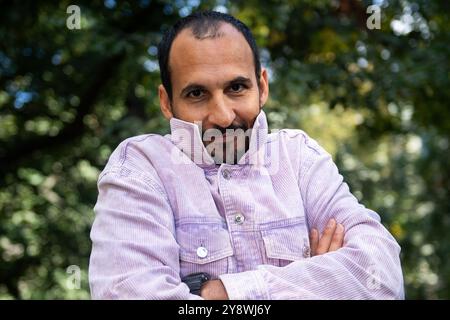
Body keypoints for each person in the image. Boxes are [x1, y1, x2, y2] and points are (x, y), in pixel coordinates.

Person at [88, 11, 404, 300]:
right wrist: (319, 281)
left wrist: (220, 292)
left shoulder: (299, 157)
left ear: (262, 87)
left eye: (236, 87)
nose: (223, 116)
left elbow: (382, 277)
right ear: (167, 102)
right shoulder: (142, 167)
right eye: (196, 94)